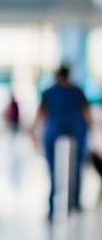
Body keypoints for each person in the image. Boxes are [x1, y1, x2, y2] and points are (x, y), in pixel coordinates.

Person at [29, 65, 90, 221]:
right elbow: (86, 114)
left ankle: (52, 207)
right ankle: (74, 204)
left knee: (53, 170)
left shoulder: (49, 92)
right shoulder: (77, 91)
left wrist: (32, 133)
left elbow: (40, 114)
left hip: (54, 132)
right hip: (76, 131)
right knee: (75, 169)